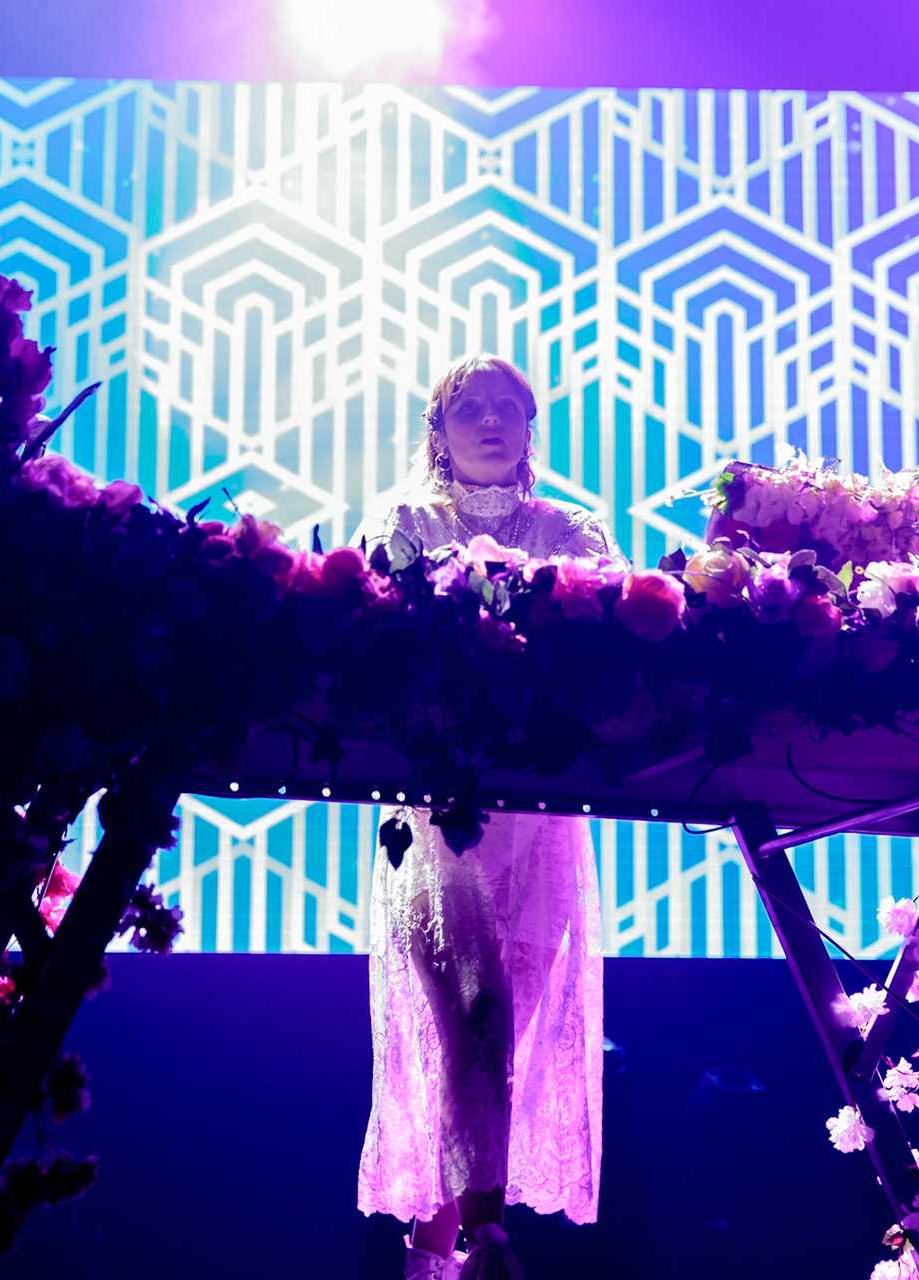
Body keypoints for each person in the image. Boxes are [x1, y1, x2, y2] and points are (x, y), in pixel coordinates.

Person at [352, 355, 619, 1280]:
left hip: (539, 815)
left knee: (494, 1038)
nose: (493, 421)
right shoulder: (405, 522)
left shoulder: (569, 528)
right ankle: (487, 1242)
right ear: (439, 430)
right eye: (473, 408)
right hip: (439, 811)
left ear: (531, 427)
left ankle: (436, 1255)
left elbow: (611, 644)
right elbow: (378, 640)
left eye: (511, 407)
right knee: (467, 1016)